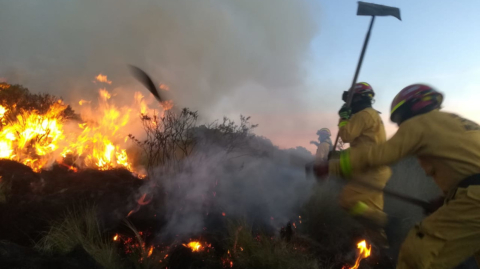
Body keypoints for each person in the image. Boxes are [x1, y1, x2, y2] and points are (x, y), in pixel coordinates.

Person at [314, 84, 480, 269]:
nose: (403, 124)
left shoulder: (420, 122)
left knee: (416, 254)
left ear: (413, 107)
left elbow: (376, 153)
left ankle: (388, 223)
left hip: (370, 169)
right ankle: (381, 247)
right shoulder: (455, 122)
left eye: (402, 118)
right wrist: (447, 200)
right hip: (472, 197)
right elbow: (469, 170)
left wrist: (333, 167)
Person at [336, 82, 392, 248]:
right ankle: (384, 249)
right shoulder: (372, 115)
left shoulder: (364, 115)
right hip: (376, 169)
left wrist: (344, 118)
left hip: (369, 170)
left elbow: (346, 135)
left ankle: (387, 222)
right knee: (370, 217)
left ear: (358, 98)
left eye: (350, 100)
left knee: (348, 201)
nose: (349, 104)